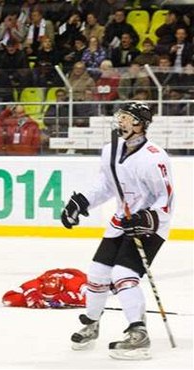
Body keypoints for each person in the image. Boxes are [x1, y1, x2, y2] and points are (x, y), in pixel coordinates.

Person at [61, 102, 173, 360]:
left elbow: (165, 198)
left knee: (123, 274)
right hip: (121, 221)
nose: (119, 121)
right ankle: (91, 323)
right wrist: (81, 202)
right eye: (119, 116)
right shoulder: (110, 150)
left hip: (151, 226)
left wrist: (149, 217)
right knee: (97, 273)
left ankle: (138, 333)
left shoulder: (155, 157)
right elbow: (105, 185)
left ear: (139, 124)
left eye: (125, 117)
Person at [2, 268, 87, 308]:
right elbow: (7, 298)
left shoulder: (77, 284)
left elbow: (97, 299)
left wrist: (76, 298)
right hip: (50, 273)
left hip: (77, 274)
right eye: (45, 298)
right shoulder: (35, 284)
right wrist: (28, 296)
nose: (49, 302)